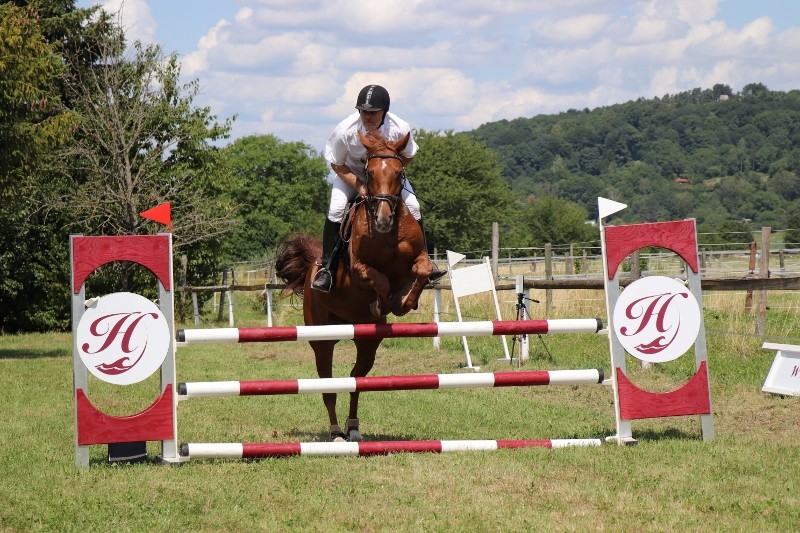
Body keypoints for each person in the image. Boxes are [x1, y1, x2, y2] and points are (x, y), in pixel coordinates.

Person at [311, 84, 445, 292]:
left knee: (414, 205)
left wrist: (390, 174)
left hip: (385, 177)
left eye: (373, 113)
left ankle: (425, 260)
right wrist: (361, 186)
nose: (367, 116)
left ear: (384, 112)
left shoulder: (400, 128)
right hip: (351, 174)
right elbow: (337, 164)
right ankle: (327, 268)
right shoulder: (344, 131)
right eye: (363, 111)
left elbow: (408, 155)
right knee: (336, 208)